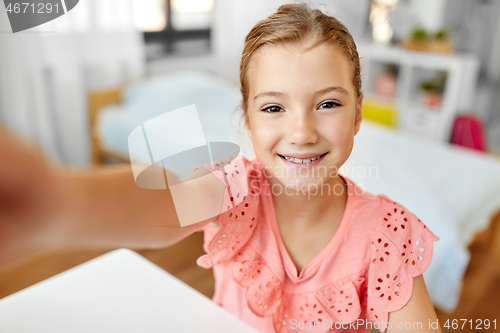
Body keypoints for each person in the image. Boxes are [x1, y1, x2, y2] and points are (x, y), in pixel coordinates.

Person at [0, 3, 441, 333]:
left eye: (327, 104)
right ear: (248, 121)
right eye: (273, 107)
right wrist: (57, 203)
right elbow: (164, 206)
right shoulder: (232, 186)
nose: (302, 131)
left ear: (359, 114)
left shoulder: (388, 233)